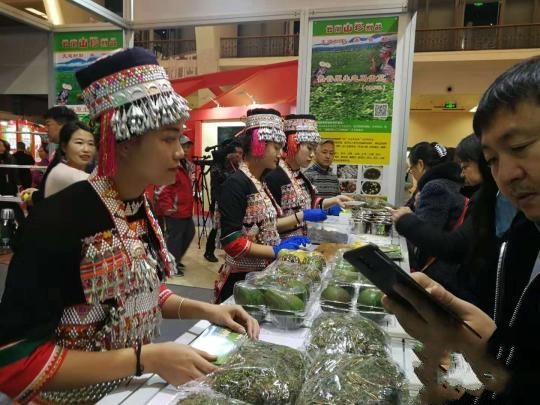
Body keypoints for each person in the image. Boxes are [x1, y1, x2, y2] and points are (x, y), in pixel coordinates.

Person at [0, 47, 259, 404]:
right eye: (168, 139)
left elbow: (135, 292)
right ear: (123, 141)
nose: (180, 152)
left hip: (129, 393)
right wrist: (145, 358)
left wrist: (207, 309)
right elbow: (14, 363)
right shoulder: (59, 220)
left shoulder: (137, 206)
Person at [382, 56, 540, 405]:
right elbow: (512, 376)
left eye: (519, 147)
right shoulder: (523, 236)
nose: (506, 174)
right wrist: (474, 352)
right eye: (493, 159)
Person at [214, 108, 312, 303]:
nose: (280, 154)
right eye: (275, 147)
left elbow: (266, 226)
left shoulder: (260, 182)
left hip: (261, 275)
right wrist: (275, 250)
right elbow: (232, 243)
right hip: (241, 281)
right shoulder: (236, 184)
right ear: (258, 145)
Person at [391, 142, 467, 295]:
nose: (412, 174)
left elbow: (423, 242)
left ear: (420, 165)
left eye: (411, 169)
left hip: (437, 276)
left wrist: (407, 219)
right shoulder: (452, 183)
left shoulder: (434, 187)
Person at [265, 114, 350, 238]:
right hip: (282, 244)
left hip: (302, 242)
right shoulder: (274, 176)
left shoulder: (300, 176)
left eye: (314, 150)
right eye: (309, 148)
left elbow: (310, 204)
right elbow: (268, 225)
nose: (312, 155)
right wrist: (302, 216)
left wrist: (335, 200)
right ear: (293, 144)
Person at [21, 106, 78, 207]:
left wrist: (34, 196)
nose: (46, 129)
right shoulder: (61, 151)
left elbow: (63, 191)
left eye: (48, 124)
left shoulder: (72, 153)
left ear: (63, 125)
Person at [157, 134, 196, 276]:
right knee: (175, 238)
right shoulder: (171, 164)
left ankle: (175, 259)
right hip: (175, 210)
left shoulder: (186, 165)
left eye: (188, 147)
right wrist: (168, 207)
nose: (186, 150)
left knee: (189, 233)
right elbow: (163, 187)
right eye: (183, 146)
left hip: (185, 209)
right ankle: (170, 266)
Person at [204, 138, 243, 263]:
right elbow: (218, 185)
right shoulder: (218, 165)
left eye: (241, 153)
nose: (239, 156)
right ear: (229, 154)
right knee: (216, 227)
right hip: (219, 201)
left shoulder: (237, 166)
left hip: (231, 201)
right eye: (237, 153)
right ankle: (208, 252)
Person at [44, 121, 97, 198]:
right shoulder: (61, 173)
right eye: (79, 143)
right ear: (64, 147)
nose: (86, 149)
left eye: (91, 144)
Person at [0, 139, 24, 227]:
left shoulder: (10, 158)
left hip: (8, 186)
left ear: (5, 147)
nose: (0, 147)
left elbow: (14, 173)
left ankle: (19, 225)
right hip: (3, 185)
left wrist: (18, 186)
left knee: (11, 204)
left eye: (1, 145)